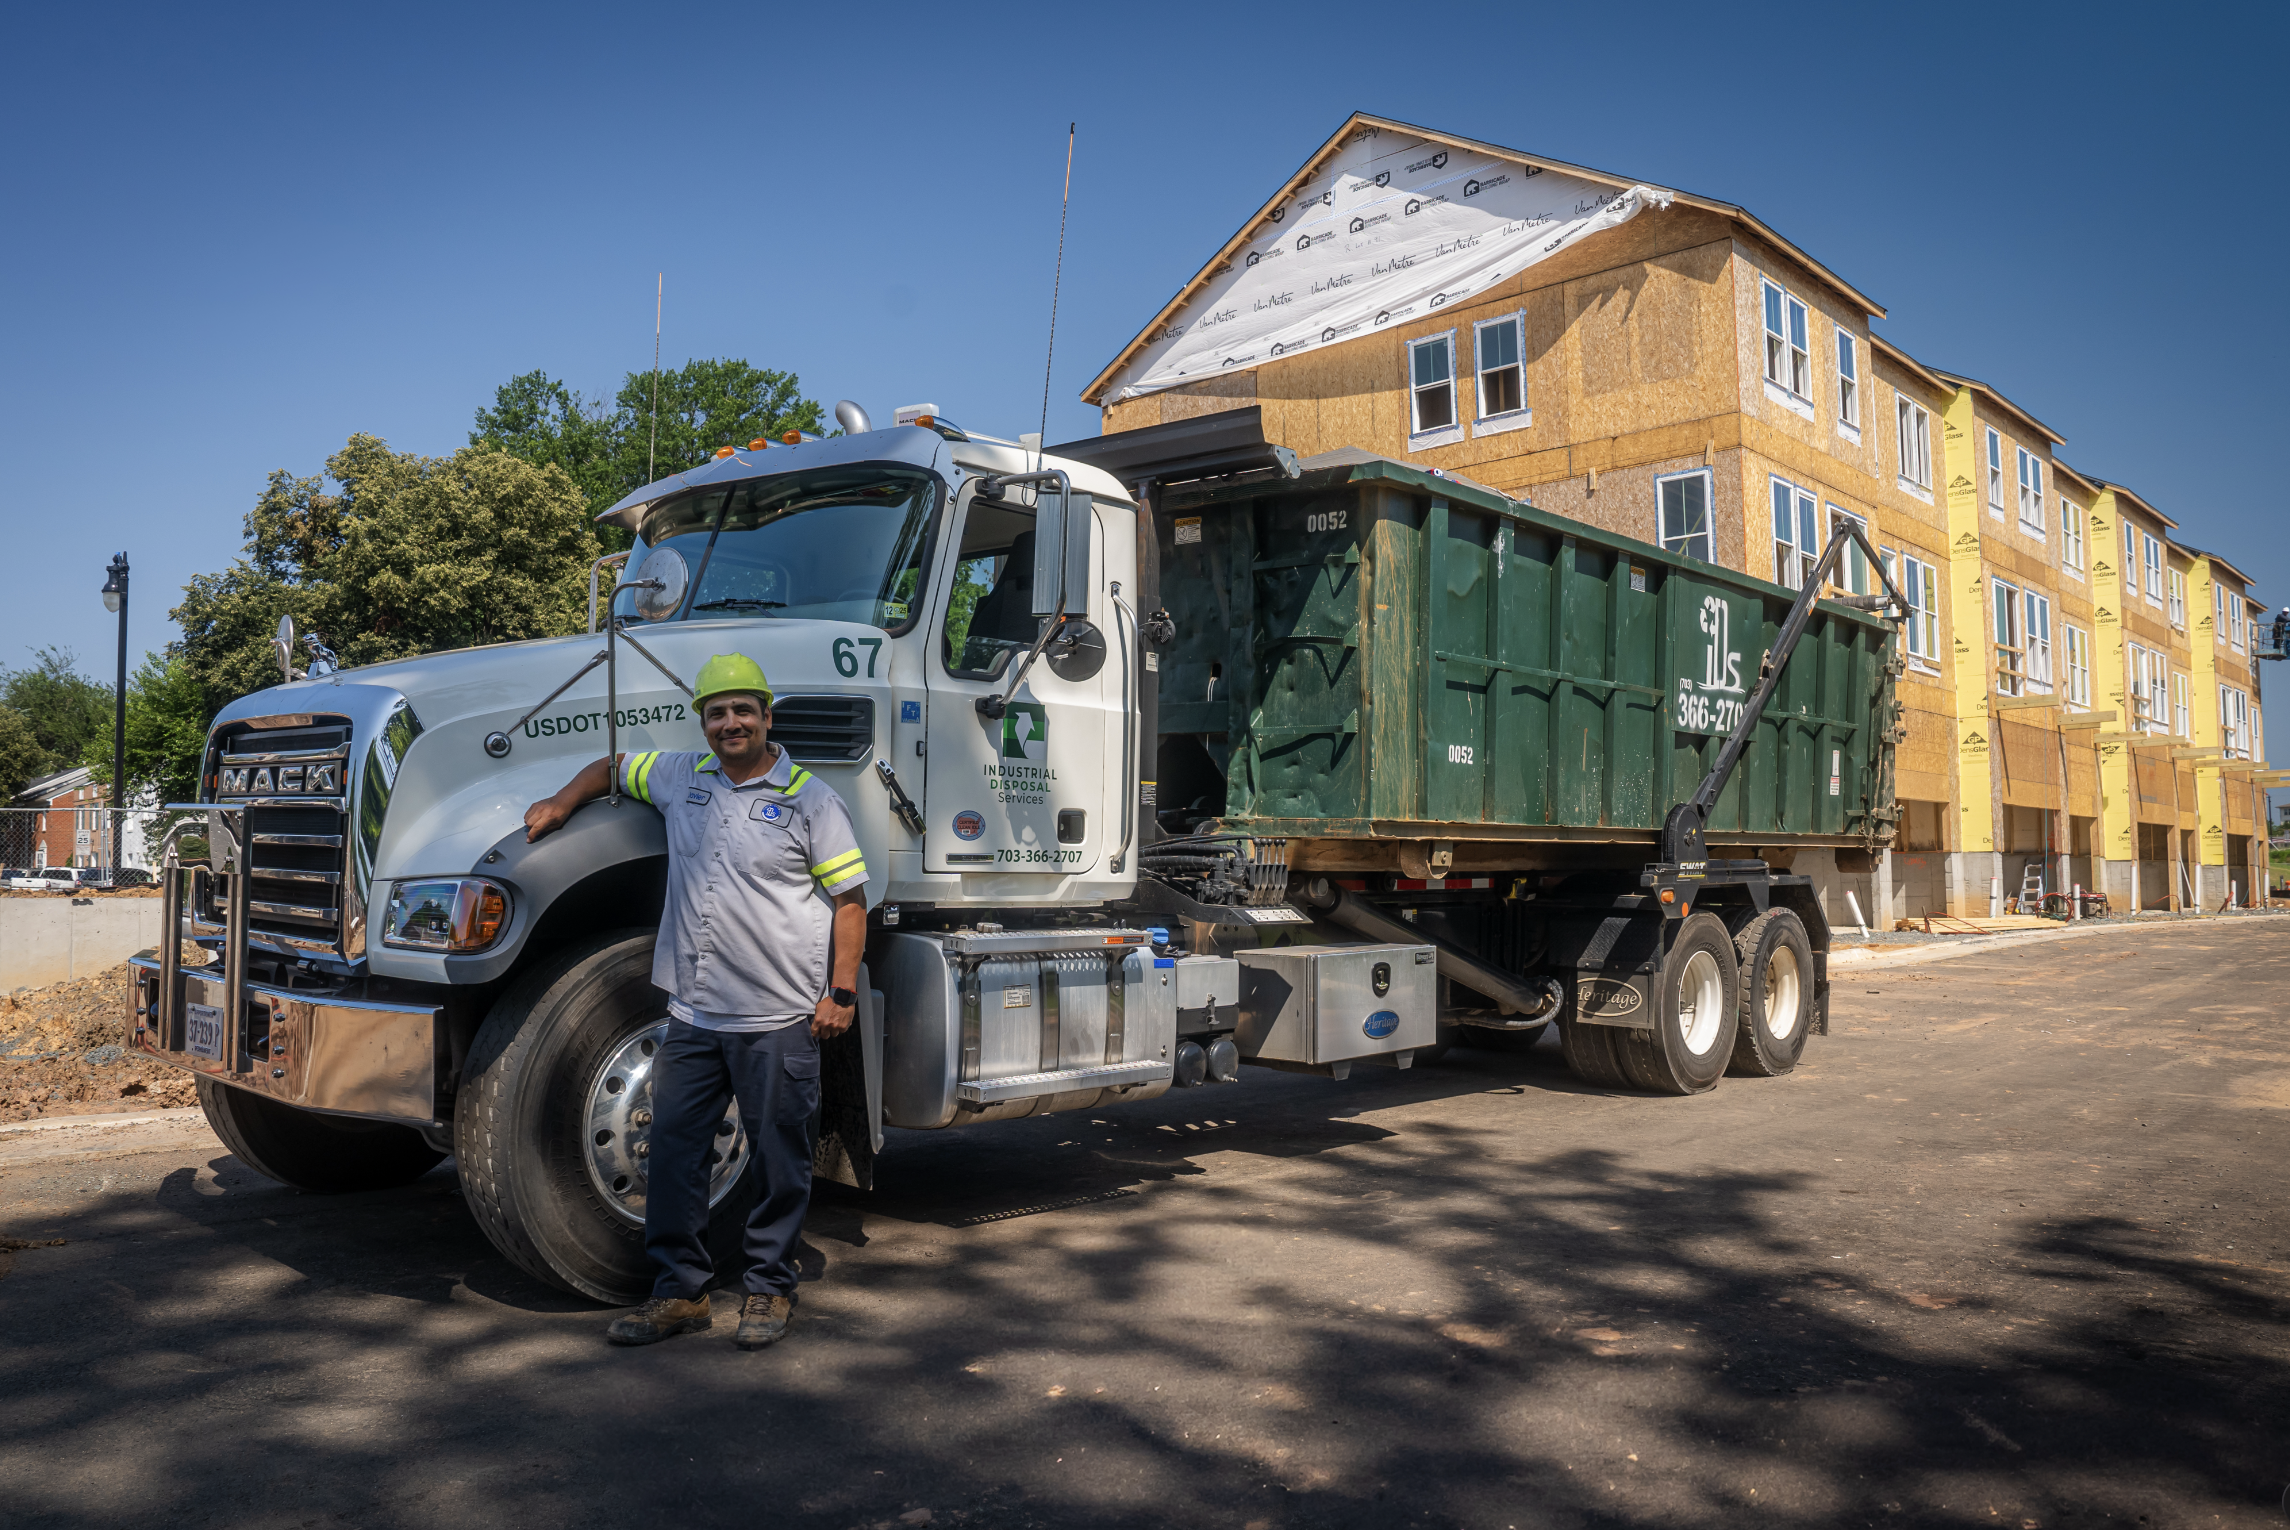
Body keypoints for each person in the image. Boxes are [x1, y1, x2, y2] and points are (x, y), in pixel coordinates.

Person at [521, 653, 867, 1350]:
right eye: (716, 713)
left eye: (743, 710)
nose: (730, 723)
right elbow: (612, 766)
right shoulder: (681, 776)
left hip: (777, 1016)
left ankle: (769, 1288)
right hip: (694, 1012)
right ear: (703, 723)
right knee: (675, 1154)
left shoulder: (810, 799)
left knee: (778, 1155)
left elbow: (850, 903)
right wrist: (562, 802)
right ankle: (679, 1293)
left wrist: (841, 993)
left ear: (767, 718)